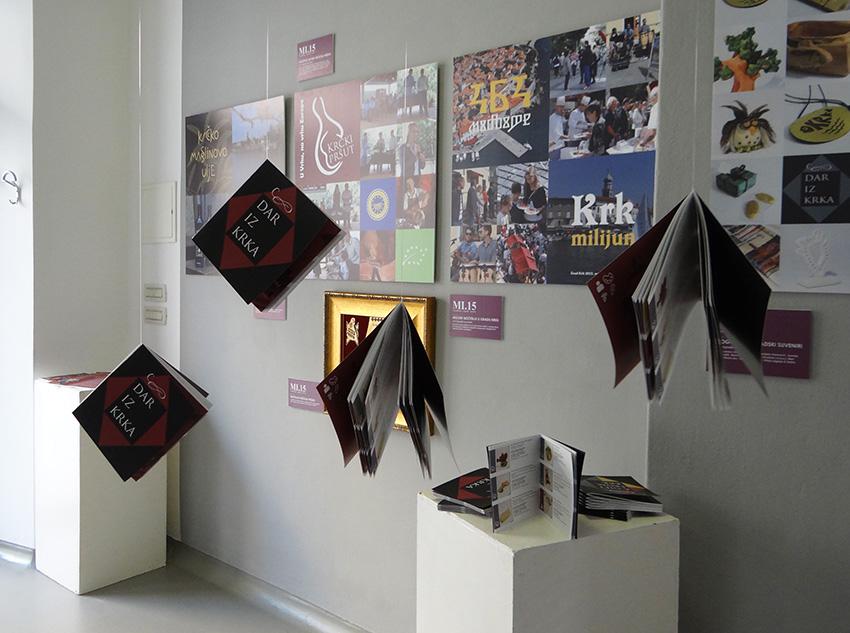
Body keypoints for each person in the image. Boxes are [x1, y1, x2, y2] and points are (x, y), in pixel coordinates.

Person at [637, 85, 659, 150]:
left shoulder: (655, 107)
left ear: (655, 96)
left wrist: (643, 143)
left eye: (651, 97)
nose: (650, 100)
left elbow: (652, 132)